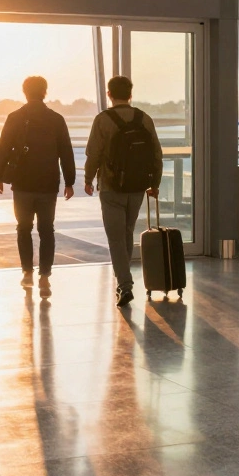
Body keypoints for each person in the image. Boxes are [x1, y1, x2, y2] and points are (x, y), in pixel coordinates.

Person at [84, 76, 164, 307]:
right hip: (137, 187)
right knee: (127, 232)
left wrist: (88, 179)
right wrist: (154, 184)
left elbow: (93, 155)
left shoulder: (103, 120)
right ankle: (124, 279)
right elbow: (157, 155)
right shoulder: (144, 118)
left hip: (111, 187)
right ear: (130, 94)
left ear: (109, 94)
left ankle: (124, 285)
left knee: (116, 238)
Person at [0, 76, 75, 299]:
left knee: (23, 228)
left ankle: (27, 272)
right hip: (48, 184)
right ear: (45, 92)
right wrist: (69, 181)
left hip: (22, 184)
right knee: (47, 230)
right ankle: (45, 276)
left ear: (24, 92)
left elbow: (3, 148)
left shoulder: (15, 117)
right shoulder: (56, 119)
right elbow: (66, 152)